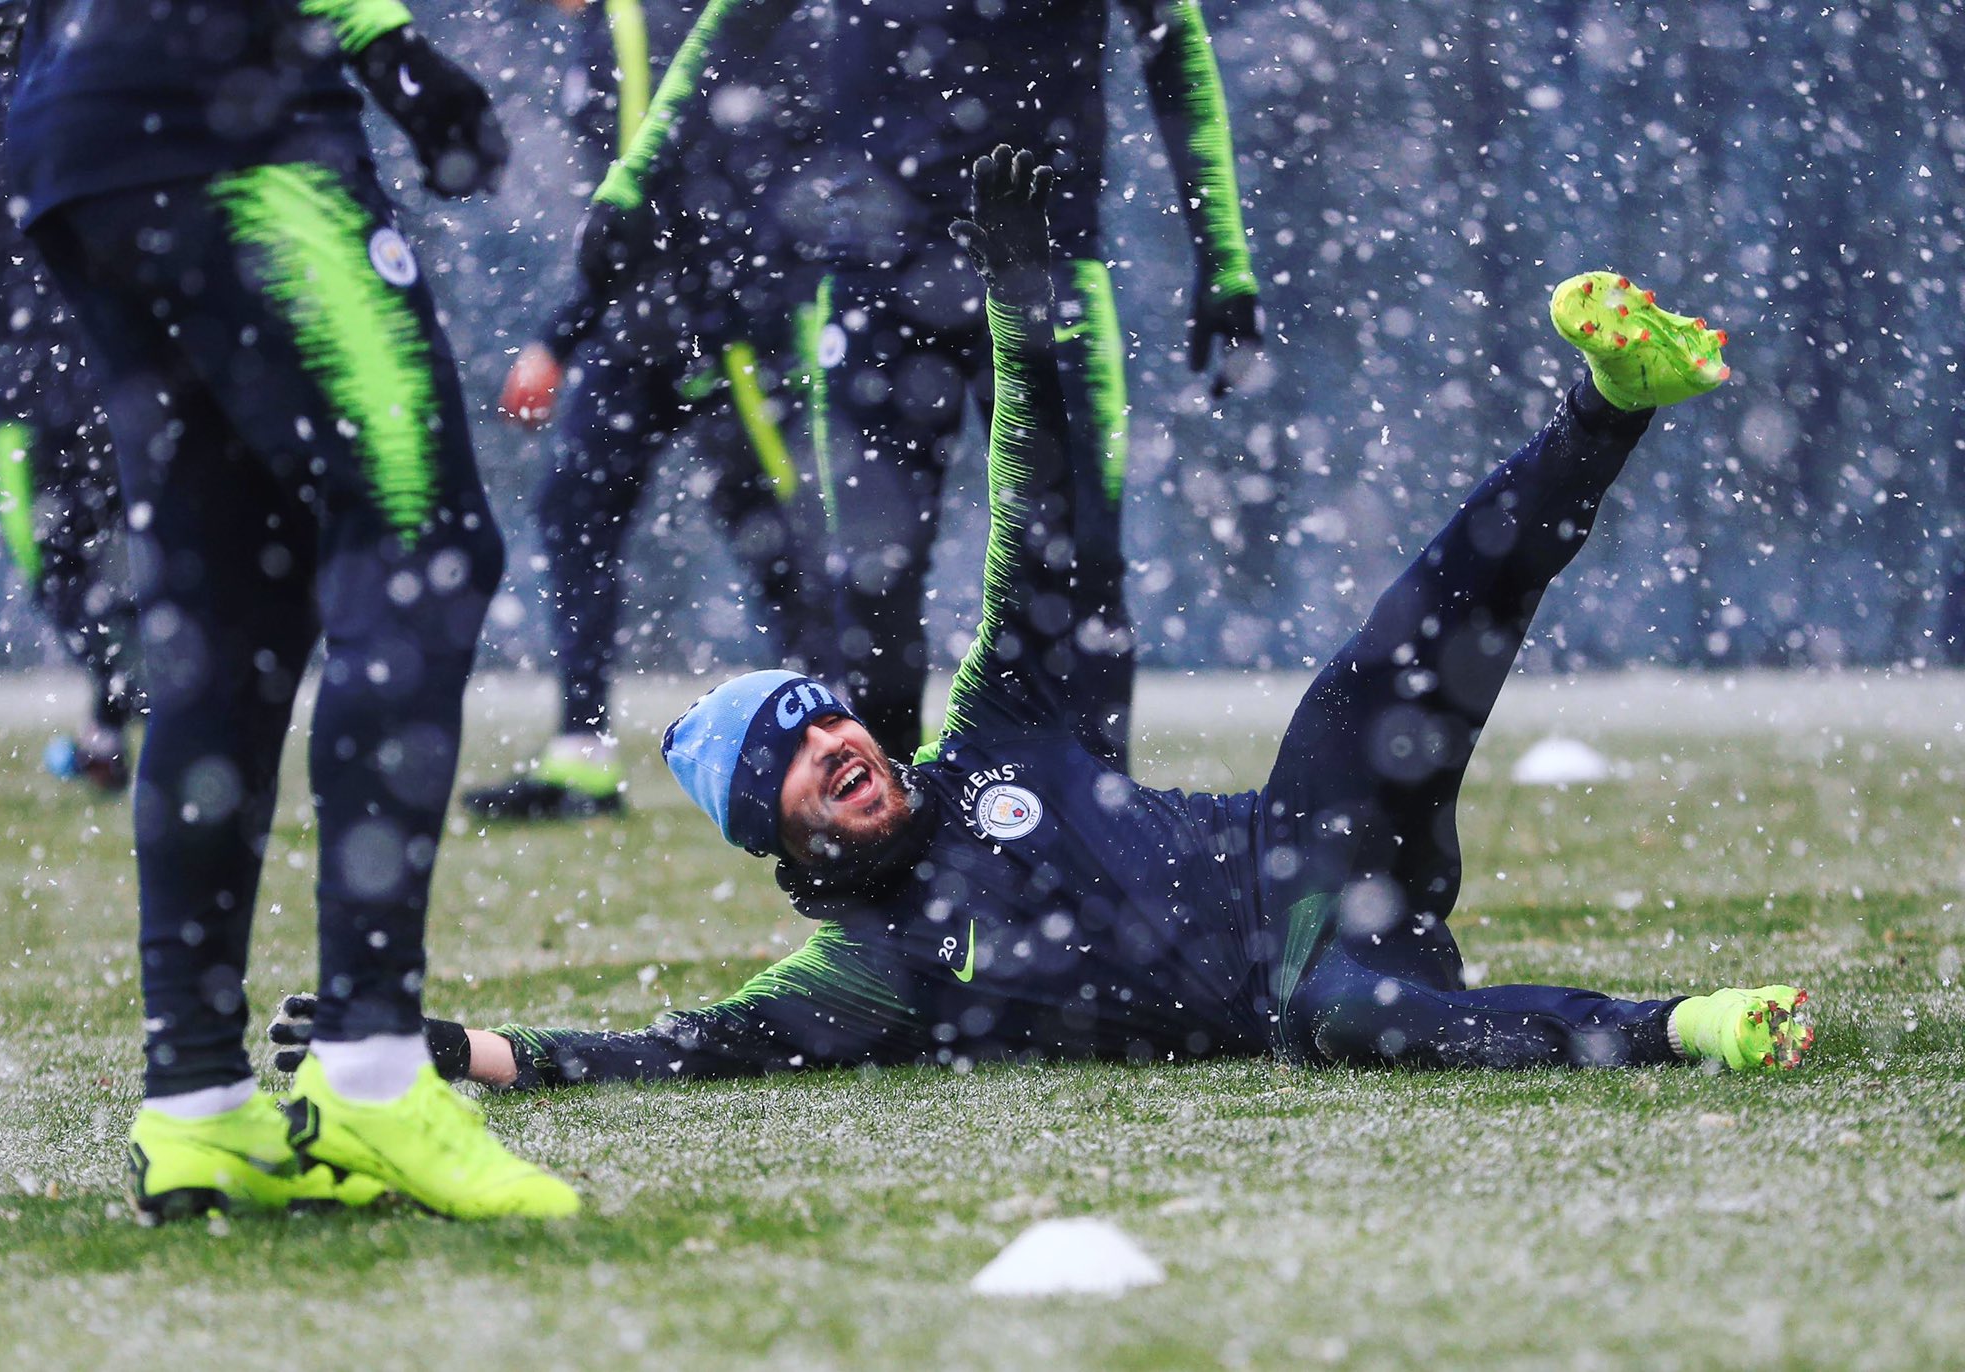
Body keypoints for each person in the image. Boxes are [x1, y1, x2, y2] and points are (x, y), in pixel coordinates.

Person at [272, 150, 1813, 1095]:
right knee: (1353, 1023)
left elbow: (1050, 528)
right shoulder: (873, 968)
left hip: (1328, 827)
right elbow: (684, 1050)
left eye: (826, 722)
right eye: (798, 766)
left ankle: (1610, 407)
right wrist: (456, 1050)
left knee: (1386, 664)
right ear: (782, 838)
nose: (838, 751)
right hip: (1304, 978)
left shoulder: (999, 734)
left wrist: (1025, 318)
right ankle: (1688, 1029)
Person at [7, 0, 576, 1217]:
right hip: (231, 118)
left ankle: (199, 1101)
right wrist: (385, 43)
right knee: (423, 539)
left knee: (231, 607)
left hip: (75, 132)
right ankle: (371, 1063)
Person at [575, 0, 1265, 766]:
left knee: (1074, 573)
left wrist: (1225, 256)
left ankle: (1096, 852)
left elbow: (1176, 47)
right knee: (872, 586)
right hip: (878, 278)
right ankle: (896, 868)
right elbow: (731, 26)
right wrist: (635, 178)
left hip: (1043, 275)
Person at [463, 0, 831, 822]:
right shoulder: (610, 23)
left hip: (720, 323)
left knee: (783, 539)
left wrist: (561, 335)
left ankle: (855, 742)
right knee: (577, 510)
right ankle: (584, 754)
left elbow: (658, 191)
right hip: (653, 324)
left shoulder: (645, 23)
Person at [0, 0, 139, 790]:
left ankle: (120, 693)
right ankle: (113, 722)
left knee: (52, 564)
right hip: (128, 371)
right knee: (136, 554)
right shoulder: (85, 90)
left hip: (32, 388)